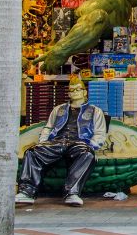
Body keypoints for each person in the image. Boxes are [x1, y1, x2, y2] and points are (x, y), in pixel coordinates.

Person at [15, 76, 107, 207]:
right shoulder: (59, 109)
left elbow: (99, 133)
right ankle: (27, 191)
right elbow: (48, 127)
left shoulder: (95, 111)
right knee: (32, 152)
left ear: (84, 92)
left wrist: (92, 145)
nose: (75, 93)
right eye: (72, 90)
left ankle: (72, 193)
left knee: (87, 154)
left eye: (78, 90)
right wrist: (43, 142)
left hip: (79, 142)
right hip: (57, 142)